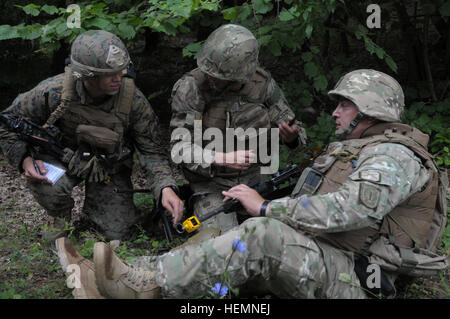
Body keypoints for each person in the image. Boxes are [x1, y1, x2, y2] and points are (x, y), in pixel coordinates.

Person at [58, 69, 448, 299]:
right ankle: (117, 273)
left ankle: (140, 285)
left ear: (368, 111)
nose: (335, 111)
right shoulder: (363, 147)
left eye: (344, 105)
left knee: (260, 234)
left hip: (362, 280)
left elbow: (350, 209)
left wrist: (265, 207)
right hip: (333, 257)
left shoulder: (394, 156)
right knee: (230, 245)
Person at [0, 30, 184, 241]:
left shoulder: (132, 100)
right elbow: (7, 122)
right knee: (46, 184)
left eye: (122, 70)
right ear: (87, 75)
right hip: (63, 160)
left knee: (117, 233)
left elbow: (151, 151)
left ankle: (94, 218)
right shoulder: (53, 92)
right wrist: (24, 159)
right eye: (110, 73)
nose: (119, 78)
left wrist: (165, 187)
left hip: (108, 168)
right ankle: (59, 215)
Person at [169, 24, 307, 232]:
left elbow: (297, 130)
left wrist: (291, 138)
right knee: (221, 242)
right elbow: (179, 149)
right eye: (209, 72)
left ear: (239, 75)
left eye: (219, 77)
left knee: (281, 234)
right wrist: (219, 158)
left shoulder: (262, 85)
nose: (211, 78)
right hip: (212, 185)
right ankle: (196, 205)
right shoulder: (192, 88)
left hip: (257, 181)